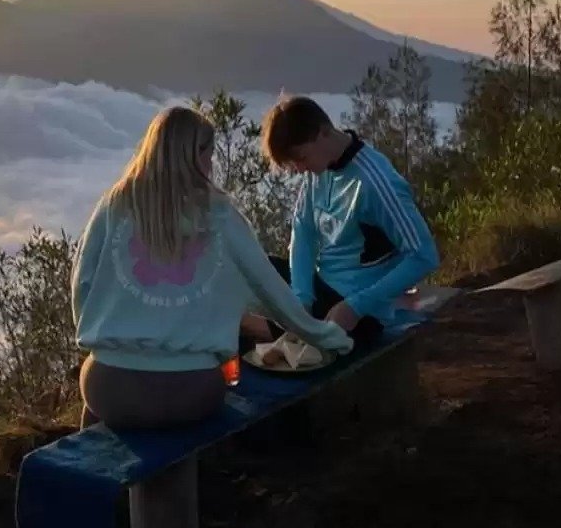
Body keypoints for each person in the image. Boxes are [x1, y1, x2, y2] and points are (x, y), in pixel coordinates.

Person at [71, 106, 353, 430]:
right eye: (210, 155)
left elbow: (83, 284)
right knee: (172, 453)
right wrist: (328, 337)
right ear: (196, 154)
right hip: (191, 390)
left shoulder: (114, 204)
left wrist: (99, 340)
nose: (211, 164)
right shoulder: (221, 214)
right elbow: (271, 290)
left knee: (97, 412)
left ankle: (98, 475)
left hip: (109, 386)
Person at [246, 95, 440, 350]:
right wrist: (302, 297)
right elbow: (303, 233)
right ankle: (279, 329)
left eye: (301, 158)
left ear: (324, 132)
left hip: (359, 312)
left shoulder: (376, 183)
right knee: (248, 267)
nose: (300, 169)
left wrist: (355, 307)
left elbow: (424, 256)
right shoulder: (320, 170)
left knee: (248, 323)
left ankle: (255, 330)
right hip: (322, 291)